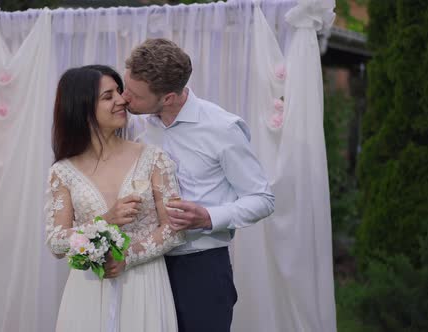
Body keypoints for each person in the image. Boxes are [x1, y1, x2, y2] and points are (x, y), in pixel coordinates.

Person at [117, 38, 276, 332]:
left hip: (201, 269)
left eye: (134, 94)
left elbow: (262, 198)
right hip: (146, 267)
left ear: (168, 98)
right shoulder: (136, 124)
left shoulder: (223, 128)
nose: (124, 98)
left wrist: (208, 217)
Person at [45, 64, 185, 332]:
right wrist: (104, 220)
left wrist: (127, 257)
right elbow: (56, 244)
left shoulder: (153, 158)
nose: (122, 100)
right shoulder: (62, 172)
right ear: (83, 108)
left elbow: (175, 229)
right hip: (88, 290)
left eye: (119, 92)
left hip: (145, 285)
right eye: (108, 97)